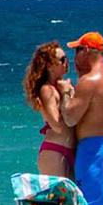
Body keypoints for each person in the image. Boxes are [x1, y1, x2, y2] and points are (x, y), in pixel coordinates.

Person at [62, 30, 103, 205]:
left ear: (86, 51)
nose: (74, 57)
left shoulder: (90, 80)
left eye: (77, 51)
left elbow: (69, 117)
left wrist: (67, 92)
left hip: (94, 149)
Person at [22, 42, 77, 178]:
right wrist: (66, 94)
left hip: (69, 149)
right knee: (58, 198)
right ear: (49, 65)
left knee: (73, 197)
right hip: (55, 151)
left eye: (67, 59)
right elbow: (57, 125)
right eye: (62, 60)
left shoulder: (63, 86)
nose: (66, 63)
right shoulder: (47, 90)